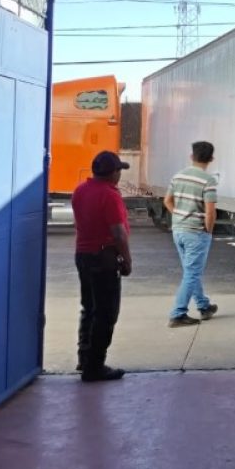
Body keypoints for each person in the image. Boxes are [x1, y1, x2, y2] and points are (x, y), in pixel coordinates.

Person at [71, 151, 133, 382]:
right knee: (106, 313)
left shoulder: (80, 190)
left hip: (83, 255)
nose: (120, 175)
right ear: (113, 172)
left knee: (89, 307)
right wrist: (127, 260)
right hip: (103, 258)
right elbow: (118, 232)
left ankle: (84, 358)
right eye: (119, 170)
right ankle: (95, 366)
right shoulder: (109, 194)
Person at [164, 141, 219, 328]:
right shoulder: (208, 180)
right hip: (196, 233)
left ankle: (204, 306)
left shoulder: (178, 176)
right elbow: (210, 212)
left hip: (178, 230)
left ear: (191, 156)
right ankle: (178, 314)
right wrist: (208, 230)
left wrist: (179, 216)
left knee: (190, 272)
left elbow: (167, 201)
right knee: (192, 273)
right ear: (211, 159)